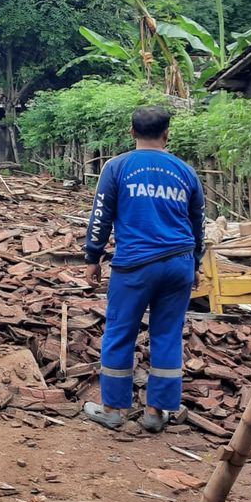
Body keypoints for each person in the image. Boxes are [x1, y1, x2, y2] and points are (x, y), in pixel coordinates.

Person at [82, 106, 206, 433]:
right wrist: (196, 264)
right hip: (179, 263)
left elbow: (100, 216)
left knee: (120, 333)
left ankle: (113, 410)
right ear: (167, 133)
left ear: (132, 132)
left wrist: (93, 258)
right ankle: (155, 412)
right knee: (166, 335)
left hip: (134, 266)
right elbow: (198, 225)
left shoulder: (117, 167)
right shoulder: (185, 172)